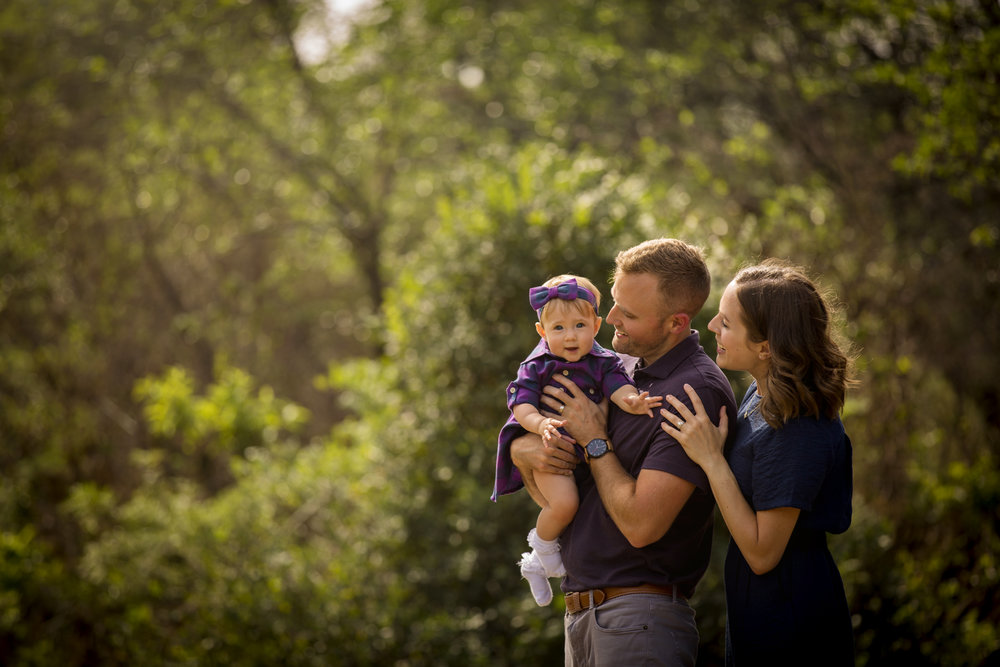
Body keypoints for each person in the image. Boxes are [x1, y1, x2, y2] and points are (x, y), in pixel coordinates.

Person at [509, 239, 737, 666]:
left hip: (638, 620)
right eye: (613, 303)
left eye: (628, 314)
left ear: (676, 322)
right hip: (585, 614)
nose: (609, 318)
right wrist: (525, 450)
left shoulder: (692, 391)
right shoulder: (621, 376)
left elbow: (641, 525)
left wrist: (596, 441)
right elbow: (568, 498)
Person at [659, 260, 855, 665]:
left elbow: (763, 553)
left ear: (766, 346)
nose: (712, 326)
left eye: (727, 323)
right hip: (757, 606)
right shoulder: (760, 396)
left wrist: (712, 460)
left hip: (792, 616)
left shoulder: (797, 427)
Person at [492, 274, 662, 607]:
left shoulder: (605, 362)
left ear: (597, 325)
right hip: (552, 443)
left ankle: (535, 565)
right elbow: (522, 406)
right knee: (565, 504)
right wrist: (540, 425)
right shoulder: (536, 366)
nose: (570, 336)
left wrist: (632, 401)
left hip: (587, 455)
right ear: (541, 331)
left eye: (580, 326)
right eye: (558, 329)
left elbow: (618, 387)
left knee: (580, 503)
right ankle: (540, 547)